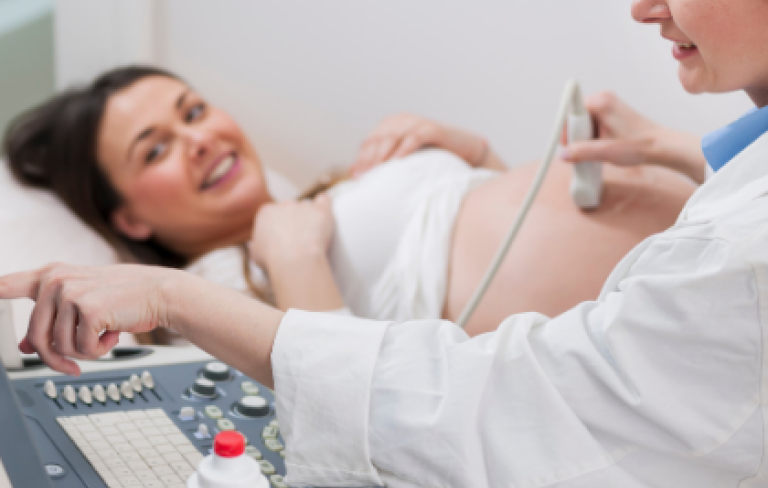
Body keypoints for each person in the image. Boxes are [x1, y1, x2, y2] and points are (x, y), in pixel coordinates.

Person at [2, 0, 767, 488]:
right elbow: (443, 376)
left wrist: (471, 167)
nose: (642, 3)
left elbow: (505, 397)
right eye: (156, 151)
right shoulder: (236, 277)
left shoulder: (736, 258)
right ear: (128, 217)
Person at [3, 67, 697, 335]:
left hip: (696, 235)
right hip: (666, 314)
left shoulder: (327, 189)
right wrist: (294, 255)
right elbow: (338, 392)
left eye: (193, 111)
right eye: (154, 150)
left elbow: (492, 227)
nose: (198, 140)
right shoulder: (211, 291)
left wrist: (466, 148)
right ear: (129, 219)